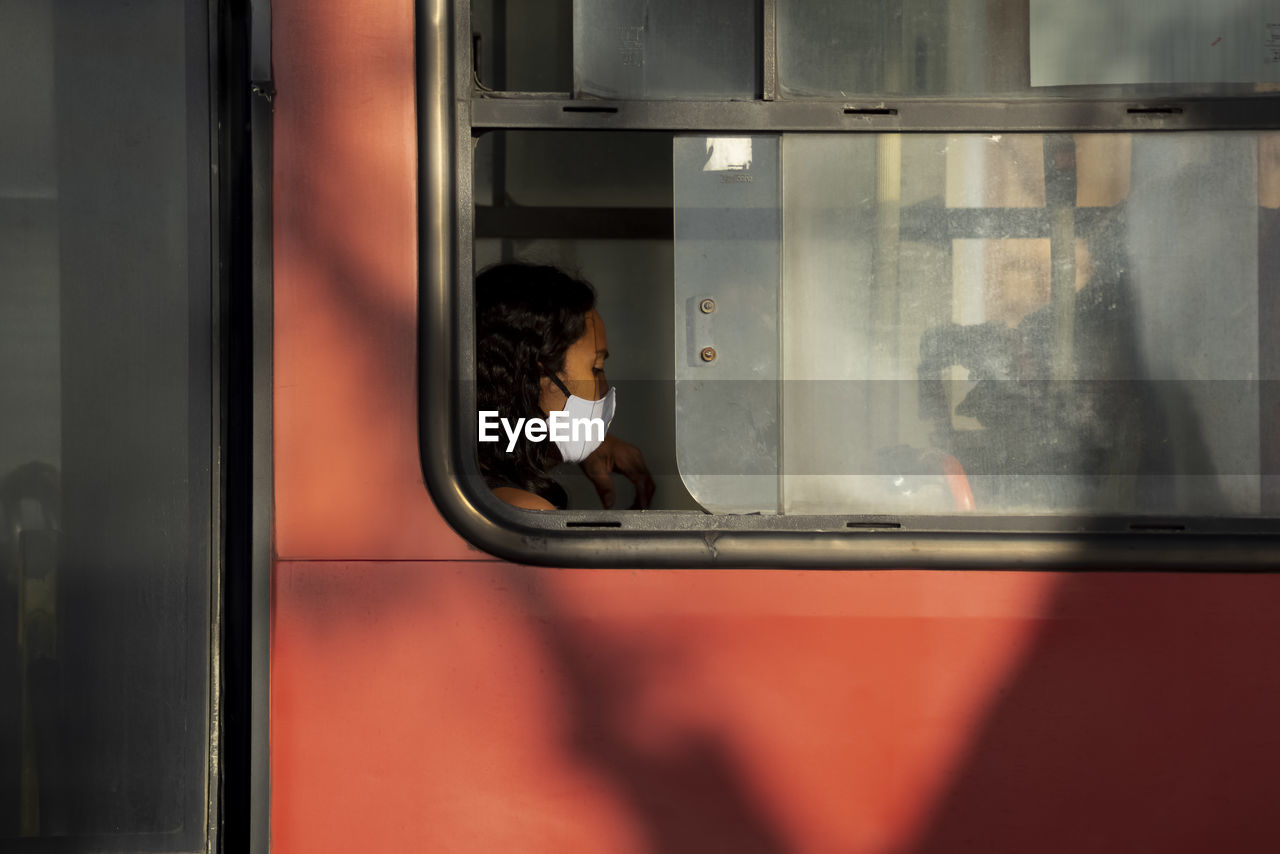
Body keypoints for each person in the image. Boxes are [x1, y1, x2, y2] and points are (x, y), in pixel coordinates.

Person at [475, 263, 655, 510]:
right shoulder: (522, 508)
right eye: (596, 368)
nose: (604, 388)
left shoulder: (476, 482)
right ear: (536, 377)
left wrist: (559, 445)